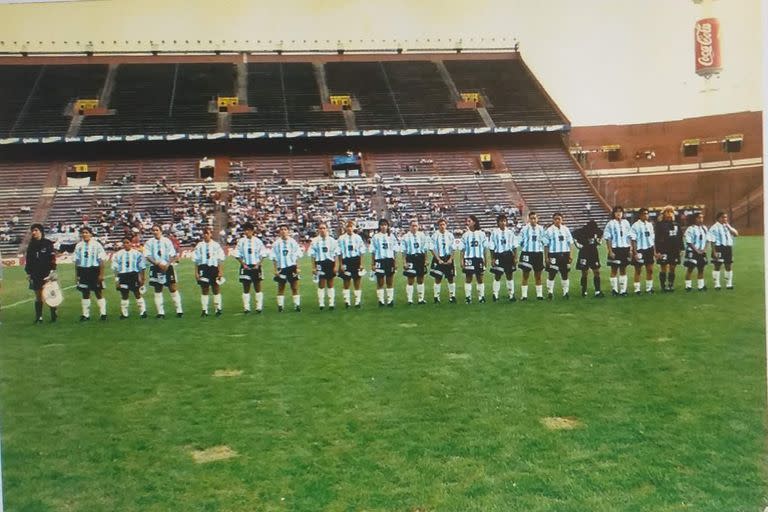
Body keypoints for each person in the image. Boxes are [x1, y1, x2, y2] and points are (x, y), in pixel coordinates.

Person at [144, 224, 184, 318]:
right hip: (155, 267)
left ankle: (179, 310)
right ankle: (160, 313)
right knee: (158, 289)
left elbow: (172, 254)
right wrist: (157, 264)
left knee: (173, 288)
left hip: (167, 267)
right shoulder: (149, 242)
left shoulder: (167, 241)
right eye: (153, 230)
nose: (155, 232)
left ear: (161, 231)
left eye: (157, 230)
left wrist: (167, 264)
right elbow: (147, 255)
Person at [25, 224, 58, 323]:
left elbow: (52, 258)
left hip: (47, 273)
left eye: (36, 230)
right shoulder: (31, 245)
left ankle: (53, 314)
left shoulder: (47, 243)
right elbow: (29, 260)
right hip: (35, 273)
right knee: (38, 296)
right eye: (32, 231)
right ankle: (39, 317)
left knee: (50, 294)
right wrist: (29, 273)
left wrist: (52, 271)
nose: (34, 232)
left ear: (41, 231)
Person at [73, 226, 108, 321]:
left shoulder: (97, 245)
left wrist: (101, 274)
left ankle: (103, 314)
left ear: (91, 234)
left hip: (94, 270)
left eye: (86, 232)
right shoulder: (79, 246)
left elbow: (101, 261)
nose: (84, 234)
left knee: (98, 292)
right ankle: (85, 315)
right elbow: (76, 261)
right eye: (83, 233)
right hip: (83, 271)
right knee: (85, 292)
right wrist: (77, 275)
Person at [111, 236, 147, 319]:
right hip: (123, 276)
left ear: (131, 243)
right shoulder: (118, 254)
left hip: (133, 275)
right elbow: (115, 269)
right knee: (124, 294)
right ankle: (124, 313)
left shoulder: (137, 253)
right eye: (124, 243)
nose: (126, 244)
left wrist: (142, 278)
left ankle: (143, 311)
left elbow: (142, 267)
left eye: (128, 242)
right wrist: (117, 280)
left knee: (137, 293)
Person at [234, 222, 266, 313]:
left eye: (248, 230)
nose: (246, 232)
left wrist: (258, 264)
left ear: (252, 231)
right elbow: (237, 254)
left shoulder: (258, 241)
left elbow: (263, 254)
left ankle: (258, 307)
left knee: (257, 286)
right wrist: (243, 264)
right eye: (245, 230)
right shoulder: (241, 241)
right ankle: (246, 307)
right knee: (246, 286)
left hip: (256, 266)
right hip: (245, 266)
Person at [193, 227, 226, 316]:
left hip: (213, 268)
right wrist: (196, 272)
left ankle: (218, 309)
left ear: (210, 234)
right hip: (203, 268)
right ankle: (204, 310)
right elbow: (196, 260)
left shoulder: (216, 245)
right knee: (204, 288)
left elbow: (220, 259)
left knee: (216, 288)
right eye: (204, 233)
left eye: (207, 233)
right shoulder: (199, 245)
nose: (206, 235)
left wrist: (220, 271)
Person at [271, 224, 303, 312]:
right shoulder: (276, 243)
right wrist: (275, 270)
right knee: (281, 287)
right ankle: (280, 306)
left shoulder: (293, 242)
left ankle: (297, 305)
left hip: (292, 267)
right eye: (281, 229)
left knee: (295, 287)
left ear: (288, 231)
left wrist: (297, 267)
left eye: (285, 229)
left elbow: (297, 255)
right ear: (279, 232)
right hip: (281, 268)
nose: (283, 231)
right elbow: (274, 258)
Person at [543, 212, 573, 299]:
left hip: (565, 254)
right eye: (555, 219)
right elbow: (546, 245)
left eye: (559, 219)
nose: (557, 220)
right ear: (553, 220)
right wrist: (546, 257)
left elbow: (570, 243)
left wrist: (571, 255)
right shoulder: (549, 230)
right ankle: (550, 292)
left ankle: (565, 292)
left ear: (562, 220)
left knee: (565, 273)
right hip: (554, 254)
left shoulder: (566, 229)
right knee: (552, 273)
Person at [309, 222, 339, 310]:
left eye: (324, 228)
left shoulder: (332, 241)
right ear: (318, 230)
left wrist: (336, 266)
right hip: (320, 263)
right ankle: (321, 303)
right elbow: (313, 255)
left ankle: (331, 303)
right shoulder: (314, 241)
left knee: (330, 283)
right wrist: (313, 267)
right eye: (320, 228)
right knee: (321, 283)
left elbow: (336, 254)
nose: (322, 230)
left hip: (330, 263)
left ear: (327, 229)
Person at [488, 213, 518, 302]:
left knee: (510, 275)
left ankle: (511, 295)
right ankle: (495, 294)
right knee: (498, 275)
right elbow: (492, 247)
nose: (503, 223)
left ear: (507, 222)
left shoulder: (510, 232)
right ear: (498, 223)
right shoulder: (494, 233)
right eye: (501, 221)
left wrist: (515, 257)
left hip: (508, 255)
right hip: (498, 255)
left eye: (504, 221)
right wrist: (492, 258)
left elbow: (514, 246)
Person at [603, 206, 632, 296]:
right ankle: (614, 290)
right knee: (614, 269)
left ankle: (623, 290)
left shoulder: (626, 223)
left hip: (625, 248)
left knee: (623, 269)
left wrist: (630, 249)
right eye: (617, 212)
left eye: (620, 212)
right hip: (615, 248)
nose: (619, 213)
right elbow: (608, 238)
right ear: (614, 213)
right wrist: (610, 251)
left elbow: (629, 236)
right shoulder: (610, 224)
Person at [337, 220, 366, 308]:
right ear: (345, 228)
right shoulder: (341, 238)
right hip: (346, 260)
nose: (349, 228)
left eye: (351, 226)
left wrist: (361, 264)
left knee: (357, 281)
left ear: (354, 227)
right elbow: (339, 252)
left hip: (356, 260)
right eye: (348, 226)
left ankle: (357, 302)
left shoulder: (357, 237)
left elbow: (361, 252)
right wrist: (340, 264)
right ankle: (347, 301)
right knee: (346, 281)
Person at [400, 219, 430, 305]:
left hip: (420, 258)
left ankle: (421, 299)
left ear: (418, 226)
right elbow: (403, 251)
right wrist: (404, 262)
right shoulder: (405, 236)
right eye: (413, 226)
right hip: (410, 258)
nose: (414, 227)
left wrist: (426, 259)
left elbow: (425, 249)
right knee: (410, 279)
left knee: (420, 278)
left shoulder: (422, 235)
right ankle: (410, 299)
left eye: (416, 226)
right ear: (410, 227)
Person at [370, 218, 399, 307]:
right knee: (380, 281)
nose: (383, 227)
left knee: (390, 281)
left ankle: (390, 300)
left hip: (389, 260)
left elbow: (395, 250)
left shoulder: (392, 236)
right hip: (379, 260)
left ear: (387, 226)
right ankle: (381, 301)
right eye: (382, 225)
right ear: (379, 226)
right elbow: (373, 251)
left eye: (385, 225)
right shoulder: (375, 236)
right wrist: (373, 263)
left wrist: (395, 262)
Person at [518, 211, 546, 300]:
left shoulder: (541, 229)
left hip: (538, 253)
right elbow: (520, 241)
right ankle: (524, 295)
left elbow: (545, 242)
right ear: (528, 219)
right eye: (531, 218)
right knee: (525, 274)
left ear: (537, 219)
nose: (533, 220)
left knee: (538, 275)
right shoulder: (524, 229)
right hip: (527, 253)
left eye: (534, 218)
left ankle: (539, 295)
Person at [572, 220, 604, 297]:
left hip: (593, 252)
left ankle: (598, 291)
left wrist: (599, 240)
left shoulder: (597, 231)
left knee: (596, 271)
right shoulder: (581, 231)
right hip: (584, 253)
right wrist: (578, 245)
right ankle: (584, 290)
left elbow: (600, 237)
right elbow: (573, 236)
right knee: (584, 273)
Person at [655, 205, 683, 292]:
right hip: (664, 249)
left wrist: (681, 249)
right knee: (663, 267)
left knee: (672, 267)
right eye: (667, 212)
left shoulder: (677, 224)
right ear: (663, 214)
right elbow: (657, 239)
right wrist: (658, 251)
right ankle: (663, 286)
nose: (669, 214)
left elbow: (680, 237)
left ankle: (671, 285)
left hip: (674, 249)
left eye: (671, 212)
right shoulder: (660, 225)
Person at [461, 215, 487, 304]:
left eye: (469, 221)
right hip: (468, 258)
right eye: (467, 221)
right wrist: (461, 261)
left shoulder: (481, 234)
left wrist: (485, 260)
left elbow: (484, 249)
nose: (467, 223)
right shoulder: (465, 235)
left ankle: (481, 297)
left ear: (474, 222)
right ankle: (468, 298)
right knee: (468, 278)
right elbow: (462, 249)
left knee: (480, 278)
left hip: (479, 258)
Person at [629, 207, 656, 295]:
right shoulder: (635, 225)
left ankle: (649, 288)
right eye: (644, 214)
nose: (646, 215)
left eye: (647, 213)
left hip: (649, 249)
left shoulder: (650, 225)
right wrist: (635, 252)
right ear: (640, 215)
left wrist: (654, 251)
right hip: (640, 249)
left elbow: (652, 239)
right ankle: (637, 289)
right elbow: (633, 239)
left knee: (650, 270)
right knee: (638, 270)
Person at [708, 211, 738, 290]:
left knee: (728, 265)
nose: (725, 219)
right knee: (717, 266)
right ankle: (717, 284)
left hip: (728, 248)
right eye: (723, 217)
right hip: (718, 248)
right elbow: (712, 241)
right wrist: (714, 252)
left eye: (726, 217)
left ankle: (729, 284)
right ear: (719, 218)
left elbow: (736, 234)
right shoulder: (714, 227)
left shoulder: (727, 226)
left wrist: (729, 227)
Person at [430, 218, 457, 303]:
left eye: (443, 224)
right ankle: (436, 297)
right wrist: (438, 259)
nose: (442, 226)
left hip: (448, 258)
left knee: (450, 278)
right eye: (440, 225)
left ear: (446, 225)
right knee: (438, 278)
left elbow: (453, 248)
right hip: (438, 258)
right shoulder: (435, 235)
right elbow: (432, 248)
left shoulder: (450, 235)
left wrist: (451, 259)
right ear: (438, 226)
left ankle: (452, 296)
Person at [683, 212, 709, 291]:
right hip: (692, 251)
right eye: (699, 218)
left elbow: (708, 240)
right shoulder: (691, 228)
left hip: (701, 251)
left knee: (701, 268)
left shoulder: (704, 228)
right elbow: (689, 242)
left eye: (702, 218)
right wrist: (696, 250)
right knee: (690, 268)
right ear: (695, 219)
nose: (701, 219)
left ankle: (700, 286)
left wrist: (704, 249)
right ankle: (688, 286)